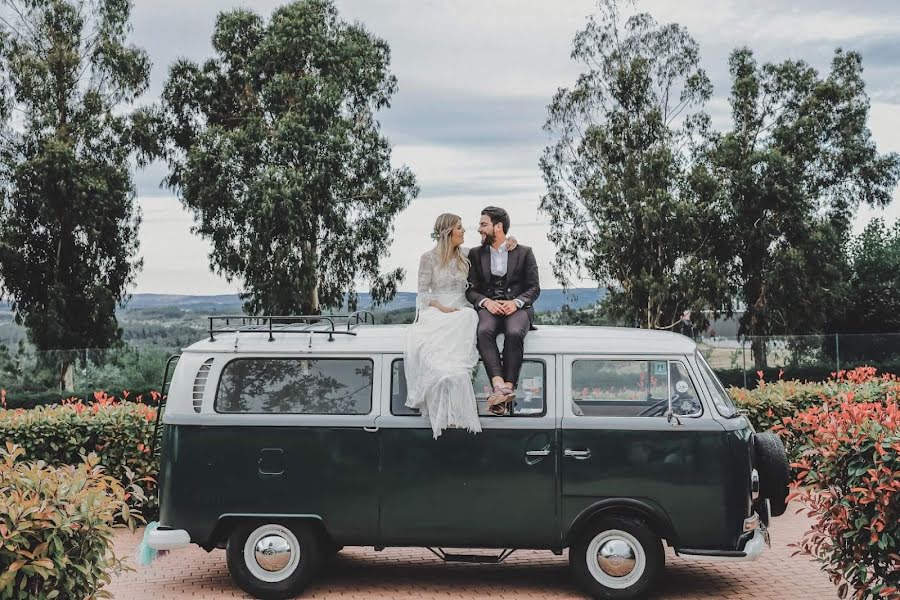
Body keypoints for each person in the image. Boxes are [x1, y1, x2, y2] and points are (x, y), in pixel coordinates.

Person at [403, 213, 518, 438]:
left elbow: (493, 251)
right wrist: (441, 308)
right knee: (437, 360)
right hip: (437, 311)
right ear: (448, 232)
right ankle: (444, 397)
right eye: (459, 227)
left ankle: (457, 385)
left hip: (463, 309)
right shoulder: (428, 258)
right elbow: (423, 294)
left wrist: (510, 240)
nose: (465, 231)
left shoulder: (467, 255)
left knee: (467, 317)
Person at [466, 206, 540, 416]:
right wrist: (485, 302)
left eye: (483, 224)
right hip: (489, 306)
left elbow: (534, 287)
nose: (479, 228)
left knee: (515, 332)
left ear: (498, 227)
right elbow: (470, 289)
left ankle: (508, 387)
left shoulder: (524, 252)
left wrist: (516, 302)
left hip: (518, 307)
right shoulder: (474, 253)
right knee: (483, 331)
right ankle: (498, 386)